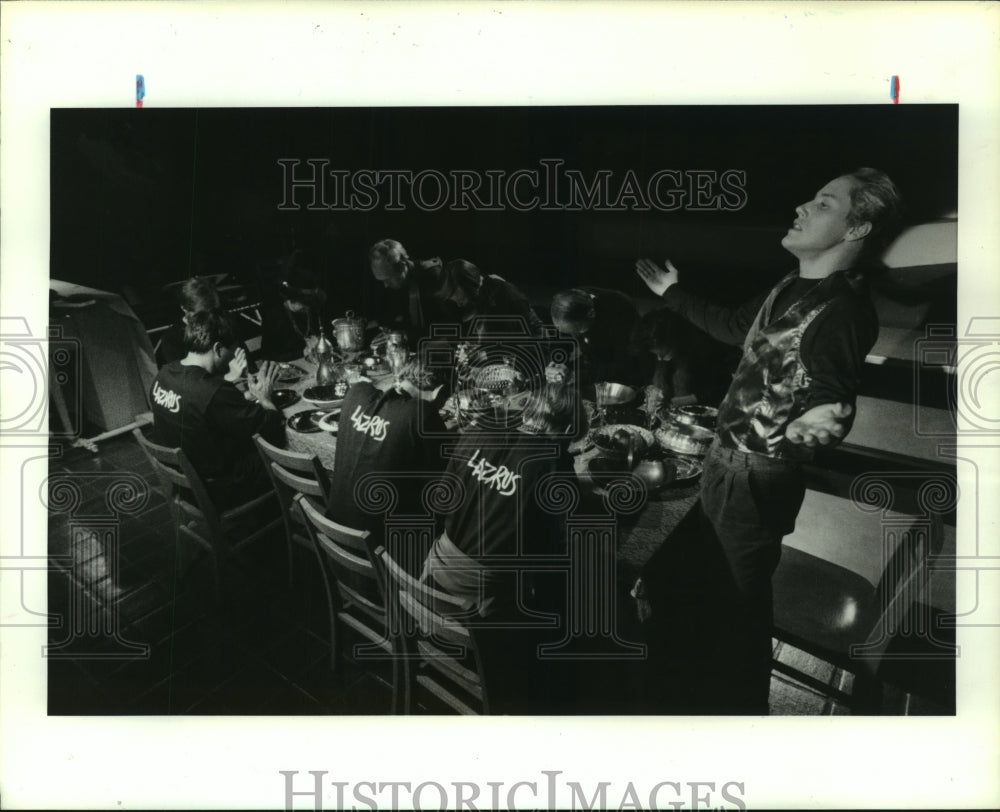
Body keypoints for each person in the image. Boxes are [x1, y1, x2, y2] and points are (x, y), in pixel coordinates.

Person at [635, 167, 902, 713]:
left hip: (756, 477)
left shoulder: (843, 310)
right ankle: (681, 690)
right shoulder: (788, 284)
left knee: (736, 611)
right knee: (679, 581)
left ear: (857, 229)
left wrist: (823, 419)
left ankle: (738, 717)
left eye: (824, 203)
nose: (802, 207)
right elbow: (735, 326)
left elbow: (833, 396)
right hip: (725, 464)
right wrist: (672, 293)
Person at [149, 309, 285, 509]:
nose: (232, 358)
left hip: (185, 484)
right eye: (232, 351)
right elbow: (271, 427)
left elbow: (203, 408)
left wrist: (235, 391)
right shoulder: (214, 391)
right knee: (282, 452)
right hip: (219, 489)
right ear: (218, 348)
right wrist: (265, 398)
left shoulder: (163, 374)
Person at [327, 358, 448, 571]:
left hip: (335, 536)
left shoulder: (356, 391)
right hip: (384, 555)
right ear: (439, 392)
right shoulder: (422, 412)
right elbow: (444, 481)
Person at [631, 306, 734, 409]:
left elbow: (721, 390)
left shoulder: (705, 352)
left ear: (676, 341)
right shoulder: (651, 346)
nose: (660, 358)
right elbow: (649, 381)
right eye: (656, 354)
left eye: (664, 353)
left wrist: (681, 401)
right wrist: (652, 391)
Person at [549, 287, 647, 390]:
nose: (572, 337)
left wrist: (580, 375)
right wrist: (558, 361)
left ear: (591, 314)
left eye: (576, 331)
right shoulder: (568, 304)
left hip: (627, 357)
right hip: (594, 339)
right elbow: (561, 337)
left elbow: (622, 365)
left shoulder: (622, 314)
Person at [158, 277, 250, 383]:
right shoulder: (172, 339)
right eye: (202, 315)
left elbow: (244, 358)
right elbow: (185, 382)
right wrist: (227, 378)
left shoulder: (222, 321)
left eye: (214, 311)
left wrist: (250, 373)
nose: (211, 317)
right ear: (184, 309)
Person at [432, 259, 544, 339]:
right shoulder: (476, 297)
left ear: (466, 284)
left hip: (532, 346)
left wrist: (481, 351)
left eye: (453, 293)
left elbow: (505, 342)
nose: (455, 301)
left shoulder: (501, 294)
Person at [368, 238, 445, 341]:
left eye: (388, 279)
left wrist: (404, 335)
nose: (385, 285)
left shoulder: (433, 276)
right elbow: (394, 316)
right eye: (382, 280)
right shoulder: (396, 283)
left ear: (402, 267)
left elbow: (448, 326)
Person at [258, 251, 328, 362]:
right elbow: (268, 357)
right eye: (304, 304)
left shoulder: (310, 309)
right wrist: (303, 352)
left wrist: (319, 340)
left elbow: (319, 333)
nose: (308, 308)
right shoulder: (274, 317)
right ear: (292, 299)